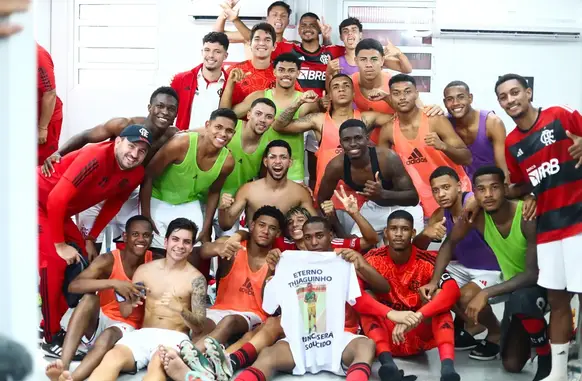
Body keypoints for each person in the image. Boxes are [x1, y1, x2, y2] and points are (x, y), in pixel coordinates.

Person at [423, 166, 551, 381]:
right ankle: (529, 331)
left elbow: (531, 274)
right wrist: (434, 281)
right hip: (513, 285)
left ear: (505, 188)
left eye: (494, 188)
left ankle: (545, 353)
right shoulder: (477, 216)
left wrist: (485, 293)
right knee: (511, 364)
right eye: (481, 190)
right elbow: (449, 243)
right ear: (474, 192)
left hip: (541, 286)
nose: (488, 195)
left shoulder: (526, 214)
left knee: (522, 299)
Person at [496, 73, 582, 381]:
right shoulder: (512, 143)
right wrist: (530, 194)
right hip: (548, 231)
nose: (510, 100)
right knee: (558, 303)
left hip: (579, 223)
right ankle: (557, 374)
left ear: (528, 93)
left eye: (515, 92)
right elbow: (524, 184)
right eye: (503, 97)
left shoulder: (560, 116)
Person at [38, 124, 152, 345]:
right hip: (37, 200)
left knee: (81, 259)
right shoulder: (96, 155)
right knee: (54, 261)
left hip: (59, 212)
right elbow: (55, 199)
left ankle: (53, 321)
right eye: (131, 146)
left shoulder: (136, 173)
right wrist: (60, 245)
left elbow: (112, 205)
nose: (134, 154)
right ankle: (51, 336)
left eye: (142, 151)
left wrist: (90, 237)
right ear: (118, 141)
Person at [41, 86, 179, 252]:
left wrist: (147, 212)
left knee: (134, 236)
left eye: (171, 109)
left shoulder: (173, 137)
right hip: (95, 184)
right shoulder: (123, 126)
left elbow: (198, 137)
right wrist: (58, 153)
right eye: (160, 106)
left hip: (124, 186)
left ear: (176, 115)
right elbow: (86, 136)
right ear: (150, 107)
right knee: (88, 245)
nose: (164, 112)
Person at [86, 218, 208, 381]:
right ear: (165, 242)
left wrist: (180, 309)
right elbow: (125, 311)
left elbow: (199, 326)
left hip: (175, 337)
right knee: (111, 358)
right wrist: (130, 303)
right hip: (144, 333)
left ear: (192, 247)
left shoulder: (196, 279)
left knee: (157, 365)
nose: (180, 246)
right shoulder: (144, 271)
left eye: (186, 242)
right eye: (175, 239)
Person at [180, 205, 287, 381]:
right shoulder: (233, 246)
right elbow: (201, 252)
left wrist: (273, 272)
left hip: (252, 315)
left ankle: (189, 361)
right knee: (200, 325)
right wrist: (218, 249)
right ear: (251, 226)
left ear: (278, 234)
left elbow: (270, 303)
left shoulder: (277, 259)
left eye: (272, 228)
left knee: (229, 321)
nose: (266, 231)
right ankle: (200, 365)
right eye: (262, 225)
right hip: (219, 308)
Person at [44, 215, 155, 381]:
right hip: (101, 320)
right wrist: (113, 283)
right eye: (135, 234)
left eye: (146, 235)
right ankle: (63, 367)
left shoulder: (154, 260)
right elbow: (74, 286)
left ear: (152, 238)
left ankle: (71, 379)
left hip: (127, 327)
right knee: (89, 299)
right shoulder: (109, 260)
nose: (141, 239)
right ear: (125, 237)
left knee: (107, 336)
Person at [360, 210, 461, 381]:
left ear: (413, 233)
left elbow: (453, 291)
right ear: (386, 232)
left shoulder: (428, 260)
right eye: (393, 229)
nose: (398, 234)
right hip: (385, 334)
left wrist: (419, 316)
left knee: (439, 298)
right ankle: (388, 365)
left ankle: (448, 371)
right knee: (367, 298)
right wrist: (392, 315)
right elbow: (355, 297)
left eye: (404, 229)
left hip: (419, 332)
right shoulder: (371, 260)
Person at [414, 166, 502, 358]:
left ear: (460, 185)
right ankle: (473, 324)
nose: (441, 194)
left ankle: (496, 333)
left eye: (446, 187)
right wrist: (426, 234)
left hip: (492, 269)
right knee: (430, 285)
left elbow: (477, 198)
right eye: (436, 190)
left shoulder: (472, 201)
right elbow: (418, 248)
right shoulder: (440, 214)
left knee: (463, 296)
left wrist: (473, 200)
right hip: (464, 267)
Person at [374, 74, 472, 218]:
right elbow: (383, 170)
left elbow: (467, 158)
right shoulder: (388, 130)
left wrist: (443, 146)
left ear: (416, 94)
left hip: (456, 196)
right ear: (391, 97)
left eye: (407, 92)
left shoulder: (434, 120)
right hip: (422, 205)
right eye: (396, 93)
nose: (402, 97)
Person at [140, 108, 236, 250]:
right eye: (218, 127)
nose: (223, 134)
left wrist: (205, 227)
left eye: (229, 131)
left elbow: (214, 192)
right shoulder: (182, 143)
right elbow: (148, 176)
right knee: (157, 251)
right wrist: (146, 216)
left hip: (188, 202)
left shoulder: (227, 161)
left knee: (192, 251)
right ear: (207, 125)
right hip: (157, 197)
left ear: (233, 133)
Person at [221, 53, 320, 183]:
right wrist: (230, 83)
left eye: (291, 71)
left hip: (293, 173)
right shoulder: (259, 96)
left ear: (298, 73)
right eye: (281, 70)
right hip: (262, 169)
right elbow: (225, 116)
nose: (286, 74)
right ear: (274, 72)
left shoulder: (307, 101)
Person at [317, 119, 422, 239]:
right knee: (355, 246)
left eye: (358, 138)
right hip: (374, 207)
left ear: (367, 139)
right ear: (340, 142)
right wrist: (334, 221)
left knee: (411, 248)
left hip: (404, 207)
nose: (352, 143)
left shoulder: (387, 158)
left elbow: (413, 198)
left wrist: (383, 193)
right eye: (347, 140)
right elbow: (322, 199)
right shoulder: (336, 166)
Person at [218, 139, 317, 231]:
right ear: (265, 162)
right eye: (272, 157)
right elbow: (226, 225)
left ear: (290, 162)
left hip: (286, 246)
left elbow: (316, 225)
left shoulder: (300, 192)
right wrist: (222, 209)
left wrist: (330, 215)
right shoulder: (248, 190)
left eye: (283, 157)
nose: (278, 162)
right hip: (255, 245)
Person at [222, 23, 300, 107]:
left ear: (274, 46)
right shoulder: (234, 71)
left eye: (267, 40)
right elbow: (221, 109)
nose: (262, 43)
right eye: (257, 39)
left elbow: (299, 100)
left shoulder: (282, 73)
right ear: (250, 44)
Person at [443, 80, 509, 180]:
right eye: (449, 99)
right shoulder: (444, 123)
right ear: (444, 102)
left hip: (489, 189)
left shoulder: (492, 123)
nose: (455, 103)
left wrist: (504, 192)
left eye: (461, 97)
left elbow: (503, 169)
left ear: (470, 98)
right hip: (461, 190)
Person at [271, 12, 343, 97]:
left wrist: (326, 38)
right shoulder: (287, 48)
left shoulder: (332, 51)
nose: (307, 29)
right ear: (298, 30)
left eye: (313, 26)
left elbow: (355, 52)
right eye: (303, 26)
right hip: (296, 106)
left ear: (319, 29)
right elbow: (263, 46)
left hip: (322, 106)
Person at [170, 32, 229, 130]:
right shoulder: (180, 80)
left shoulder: (232, 87)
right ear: (202, 52)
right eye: (207, 50)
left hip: (213, 144)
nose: (211, 55)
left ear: (225, 56)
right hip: (183, 142)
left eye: (217, 51)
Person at [214, 1, 294, 55]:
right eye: (274, 15)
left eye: (283, 16)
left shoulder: (290, 47)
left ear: (288, 21)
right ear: (267, 18)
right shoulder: (246, 35)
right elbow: (217, 35)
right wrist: (226, 12)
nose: (279, 18)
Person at [37, 42, 64, 165]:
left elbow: (50, 93)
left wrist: (42, 128)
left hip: (45, 120)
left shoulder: (38, 55)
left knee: (42, 165)